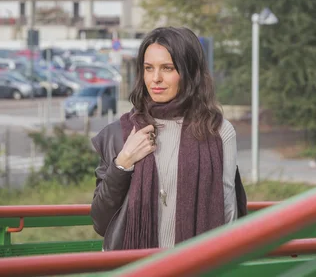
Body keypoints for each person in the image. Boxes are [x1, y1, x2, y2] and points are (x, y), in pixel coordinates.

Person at [90, 27, 247, 251]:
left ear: (189, 72)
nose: (156, 79)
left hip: (194, 265)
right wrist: (123, 162)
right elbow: (100, 220)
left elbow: (228, 209)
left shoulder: (218, 130)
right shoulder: (119, 133)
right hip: (132, 268)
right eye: (148, 68)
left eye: (167, 68)